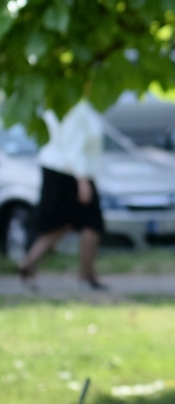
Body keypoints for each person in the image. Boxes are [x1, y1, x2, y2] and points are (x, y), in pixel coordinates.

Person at [18, 100, 106, 289]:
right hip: (71, 172)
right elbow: (75, 145)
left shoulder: (56, 101)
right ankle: (86, 276)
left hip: (59, 168)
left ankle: (30, 262)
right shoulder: (75, 104)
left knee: (60, 223)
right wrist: (82, 181)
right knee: (92, 224)